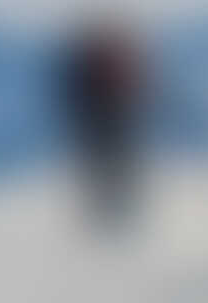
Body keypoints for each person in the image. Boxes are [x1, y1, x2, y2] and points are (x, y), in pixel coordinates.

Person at [54, 15, 150, 231]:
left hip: (112, 121)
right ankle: (109, 208)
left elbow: (132, 89)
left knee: (114, 165)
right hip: (106, 121)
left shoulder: (105, 63)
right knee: (107, 166)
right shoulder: (97, 64)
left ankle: (116, 207)